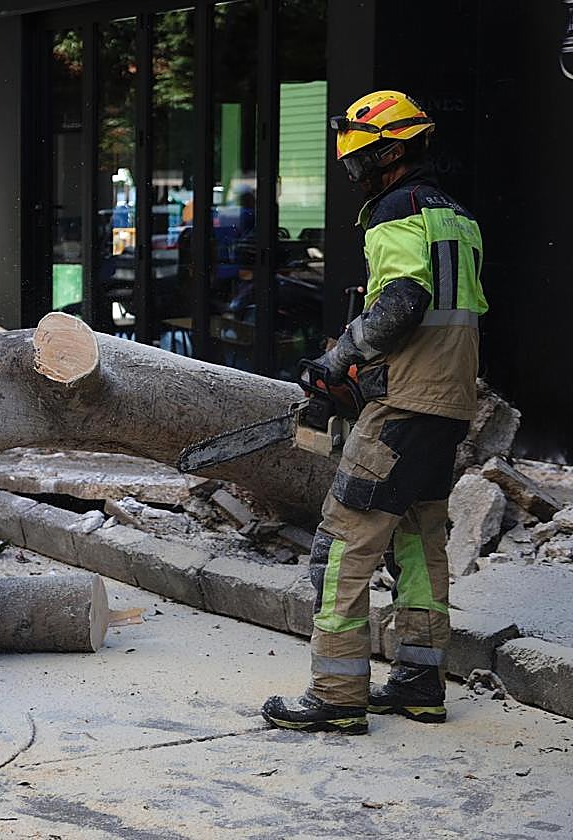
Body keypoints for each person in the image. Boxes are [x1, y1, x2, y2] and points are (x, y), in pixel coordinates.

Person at [262, 91, 488, 735]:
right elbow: (443, 317)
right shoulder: (458, 217)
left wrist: (340, 362)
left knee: (341, 545)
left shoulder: (395, 209)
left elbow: (403, 301)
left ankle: (336, 694)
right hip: (447, 403)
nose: (350, 161)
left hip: (405, 406)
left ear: (388, 150)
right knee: (419, 542)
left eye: (358, 149)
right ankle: (420, 682)